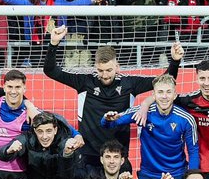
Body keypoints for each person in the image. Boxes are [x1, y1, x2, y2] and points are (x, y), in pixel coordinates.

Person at [43, 21, 180, 167]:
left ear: (117, 67)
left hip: (118, 155)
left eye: (109, 70)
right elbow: (51, 71)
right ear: (95, 67)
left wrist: (175, 61)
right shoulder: (84, 82)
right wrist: (53, 44)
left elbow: (166, 81)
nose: (105, 75)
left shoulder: (129, 84)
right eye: (100, 70)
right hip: (88, 154)